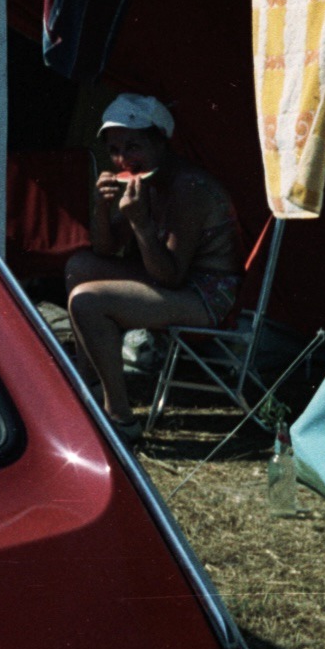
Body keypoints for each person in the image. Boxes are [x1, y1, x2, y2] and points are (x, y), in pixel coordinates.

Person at [65, 93, 243, 443]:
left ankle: (120, 419)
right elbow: (103, 249)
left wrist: (141, 224)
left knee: (87, 301)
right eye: (114, 150)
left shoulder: (187, 187)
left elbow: (172, 277)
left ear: (160, 142)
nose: (122, 159)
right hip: (170, 278)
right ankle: (88, 385)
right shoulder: (144, 179)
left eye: (133, 146)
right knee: (79, 265)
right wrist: (101, 207)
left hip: (204, 294)